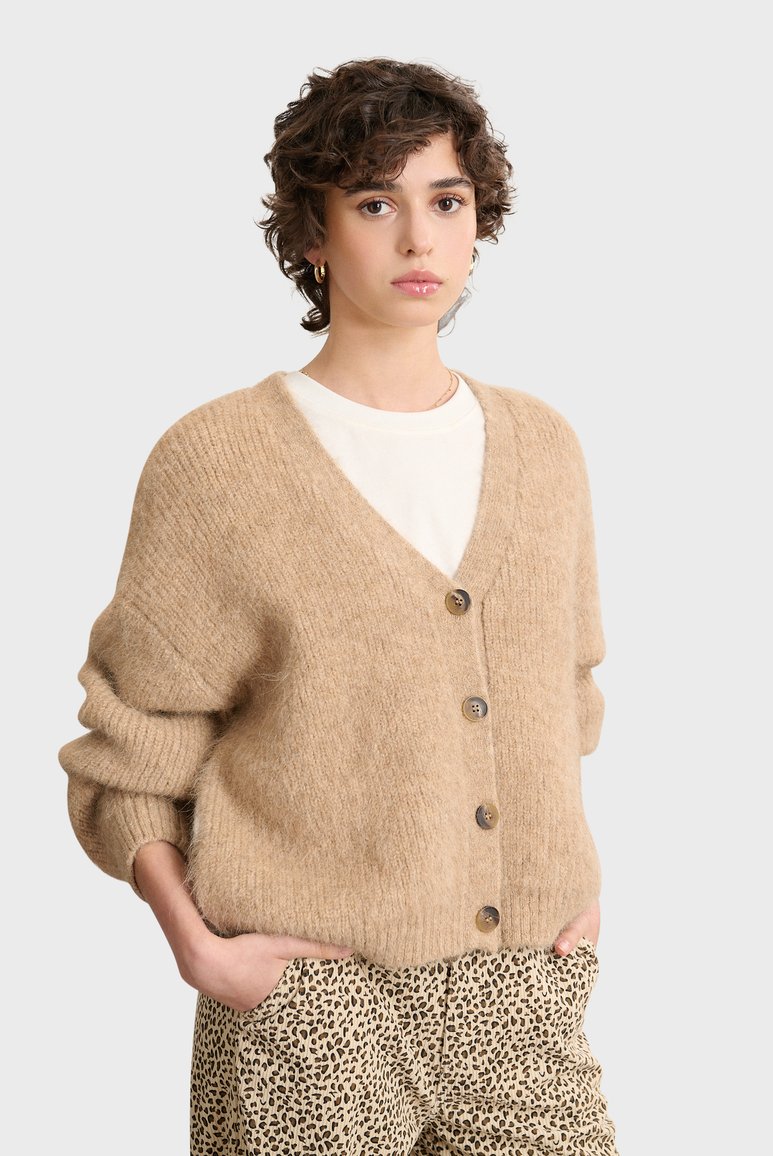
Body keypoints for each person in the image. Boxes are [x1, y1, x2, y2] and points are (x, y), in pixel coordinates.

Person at [59, 57, 620, 1155]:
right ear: (312, 235)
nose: (418, 240)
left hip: (525, 995)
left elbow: (564, 698)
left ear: (478, 221)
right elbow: (130, 752)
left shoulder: (544, 448)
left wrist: (559, 876)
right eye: (374, 204)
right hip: (311, 1002)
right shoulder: (217, 462)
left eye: (445, 202)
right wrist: (197, 947)